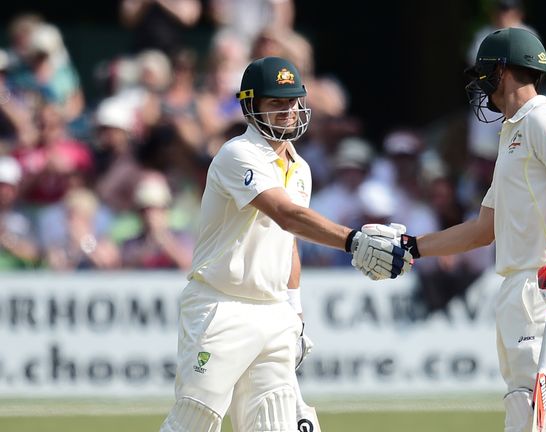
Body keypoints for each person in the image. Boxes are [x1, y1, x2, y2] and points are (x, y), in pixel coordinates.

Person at [158, 56, 412, 432]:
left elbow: (287, 240)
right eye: (276, 102)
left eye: (293, 101)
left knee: (277, 425)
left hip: (274, 312)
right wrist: (353, 240)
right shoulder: (237, 154)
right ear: (250, 106)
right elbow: (286, 214)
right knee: (195, 420)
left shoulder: (301, 168)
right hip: (222, 306)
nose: (289, 110)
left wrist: (294, 313)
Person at [372, 29, 546, 432]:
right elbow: (483, 229)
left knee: (538, 409)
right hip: (519, 284)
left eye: (485, 72)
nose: (480, 83)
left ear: (504, 71)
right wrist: (411, 247)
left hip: (545, 280)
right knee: (532, 407)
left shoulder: (543, 119)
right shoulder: (511, 134)